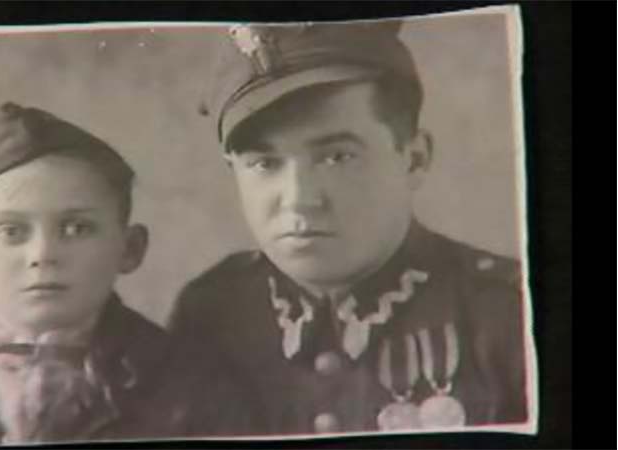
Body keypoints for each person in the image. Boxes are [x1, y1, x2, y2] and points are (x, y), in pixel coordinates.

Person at [172, 20, 529, 434]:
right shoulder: (211, 314)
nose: (300, 197)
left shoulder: (506, 315)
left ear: (414, 159)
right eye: (265, 164)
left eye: (337, 157)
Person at [0, 102, 258, 447]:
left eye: (76, 228)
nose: (43, 255)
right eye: (11, 231)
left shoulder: (190, 385)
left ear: (130, 249)